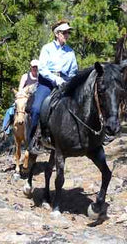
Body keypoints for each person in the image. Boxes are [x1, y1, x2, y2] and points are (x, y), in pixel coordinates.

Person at [28, 20, 78, 155]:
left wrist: (71, 82)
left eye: (68, 33)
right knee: (36, 109)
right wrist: (57, 79)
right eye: (65, 32)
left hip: (65, 83)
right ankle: (32, 141)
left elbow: (73, 71)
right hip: (47, 83)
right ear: (57, 34)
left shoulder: (70, 52)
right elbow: (43, 69)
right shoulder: (47, 48)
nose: (67, 35)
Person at [1, 59, 39, 135]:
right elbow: (20, 89)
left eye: (36, 67)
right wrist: (24, 94)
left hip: (35, 99)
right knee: (10, 110)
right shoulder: (25, 76)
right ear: (31, 67)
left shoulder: (40, 77)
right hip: (24, 97)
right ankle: (5, 129)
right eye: (33, 67)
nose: (35, 68)